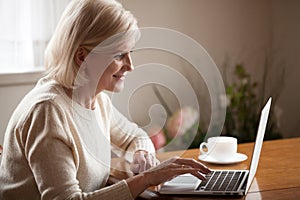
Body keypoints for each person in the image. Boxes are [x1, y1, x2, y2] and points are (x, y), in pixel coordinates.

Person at [0, 0, 210, 199]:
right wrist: (147, 178)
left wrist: (142, 152)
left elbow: (134, 137)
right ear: (82, 57)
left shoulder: (96, 100)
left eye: (130, 52)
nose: (130, 65)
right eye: (119, 55)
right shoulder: (47, 111)